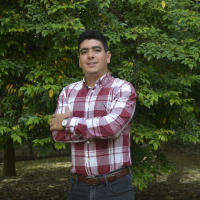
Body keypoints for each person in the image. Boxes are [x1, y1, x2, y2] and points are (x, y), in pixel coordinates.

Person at [50, 30, 137, 200]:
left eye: (97, 50)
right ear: (80, 60)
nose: (90, 56)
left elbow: (111, 128)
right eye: (84, 52)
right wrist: (98, 129)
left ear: (108, 56)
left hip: (116, 188)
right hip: (78, 189)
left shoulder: (123, 89)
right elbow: (57, 134)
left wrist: (68, 123)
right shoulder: (67, 92)